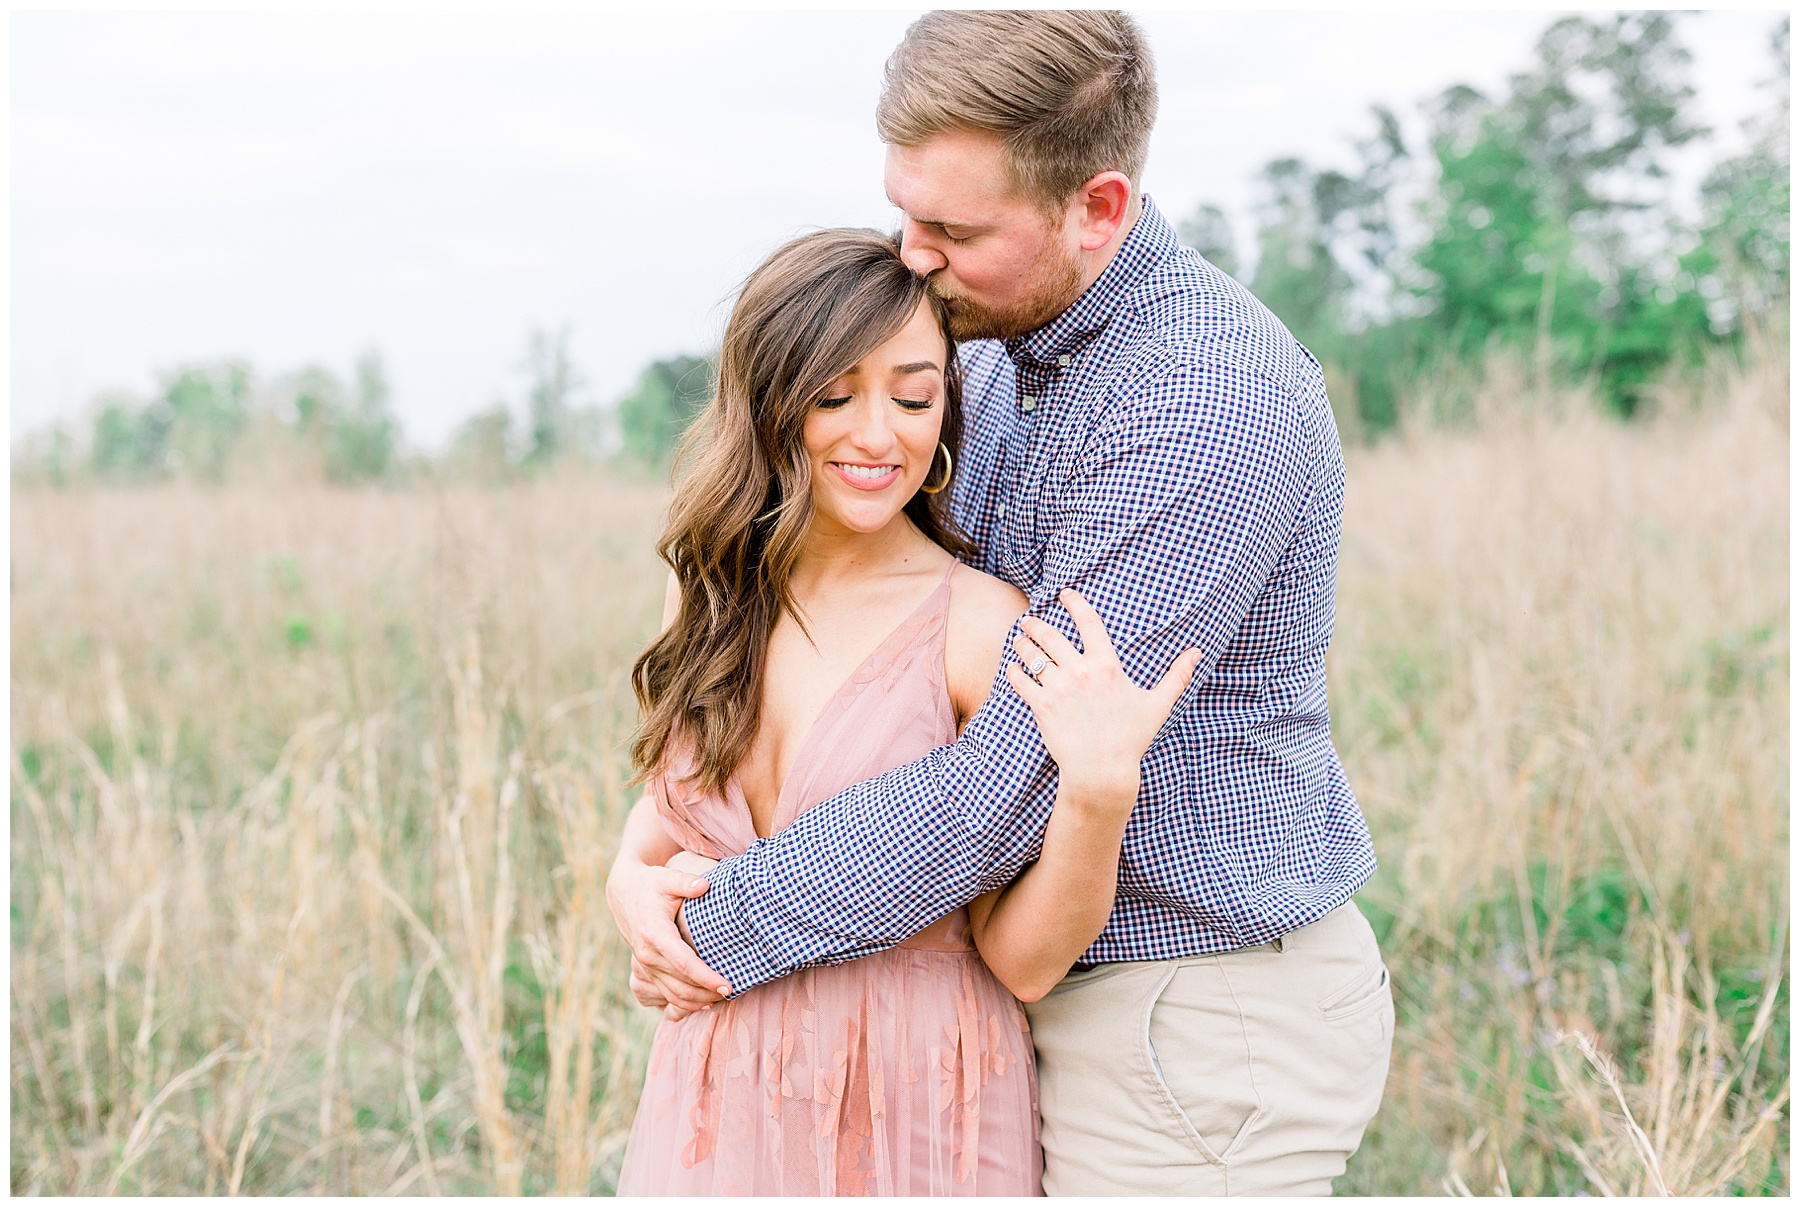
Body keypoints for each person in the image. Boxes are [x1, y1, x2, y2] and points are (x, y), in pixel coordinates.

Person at [609, 9, 1395, 1196]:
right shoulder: (976, 351)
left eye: (955, 230)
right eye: (905, 211)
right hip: (974, 994)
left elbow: (1000, 785)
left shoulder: (1208, 399)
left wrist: (704, 928)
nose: (913, 256)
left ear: (1099, 208)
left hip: (1184, 1002)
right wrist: (637, 872)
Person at [610, 228, 1197, 1195]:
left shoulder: (977, 624)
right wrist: (628, 892)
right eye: (834, 396)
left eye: (914, 398)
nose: (880, 436)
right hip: (716, 1093)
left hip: (922, 1101)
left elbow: (1023, 961)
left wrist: (1098, 791)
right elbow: (662, 829)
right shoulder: (705, 595)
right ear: (767, 402)